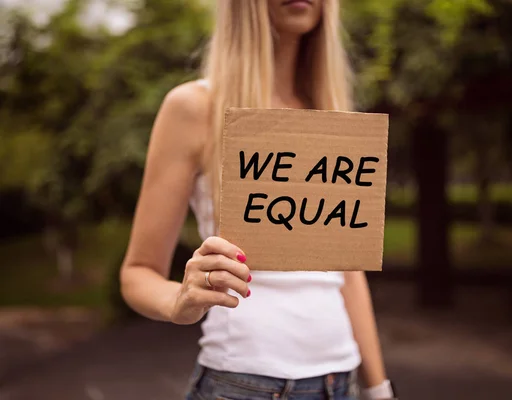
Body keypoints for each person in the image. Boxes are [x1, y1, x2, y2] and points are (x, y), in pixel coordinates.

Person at [119, 0, 395, 399]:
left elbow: (347, 274)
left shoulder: (332, 114)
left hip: (342, 382)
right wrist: (179, 301)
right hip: (243, 384)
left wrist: (379, 388)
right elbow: (137, 272)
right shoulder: (194, 107)